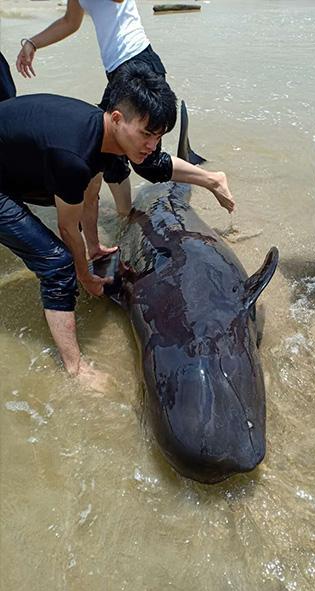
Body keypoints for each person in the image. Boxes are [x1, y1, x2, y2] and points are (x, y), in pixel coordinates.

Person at [0, 63, 234, 385]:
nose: (153, 145)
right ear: (117, 119)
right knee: (56, 262)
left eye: (159, 136)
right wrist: (83, 273)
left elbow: (92, 194)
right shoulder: (73, 156)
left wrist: (94, 247)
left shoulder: (104, 136)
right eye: (146, 134)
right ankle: (75, 369)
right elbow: (68, 229)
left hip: (15, 159)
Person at [14, 0, 223, 230]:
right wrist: (33, 43)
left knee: (147, 165)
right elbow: (70, 22)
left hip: (139, 62)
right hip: (117, 71)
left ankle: (213, 179)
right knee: (108, 152)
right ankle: (127, 217)